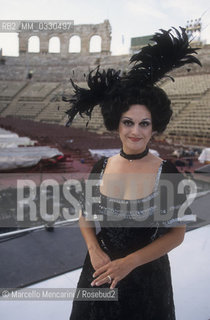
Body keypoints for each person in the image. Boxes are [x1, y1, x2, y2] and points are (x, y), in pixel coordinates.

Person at [63, 27, 201, 320]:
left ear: (154, 126)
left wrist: (129, 263)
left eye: (144, 124)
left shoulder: (168, 172)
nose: (135, 132)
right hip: (98, 273)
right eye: (128, 122)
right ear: (117, 124)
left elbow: (176, 234)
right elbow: (86, 216)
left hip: (146, 279)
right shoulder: (101, 168)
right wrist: (94, 249)